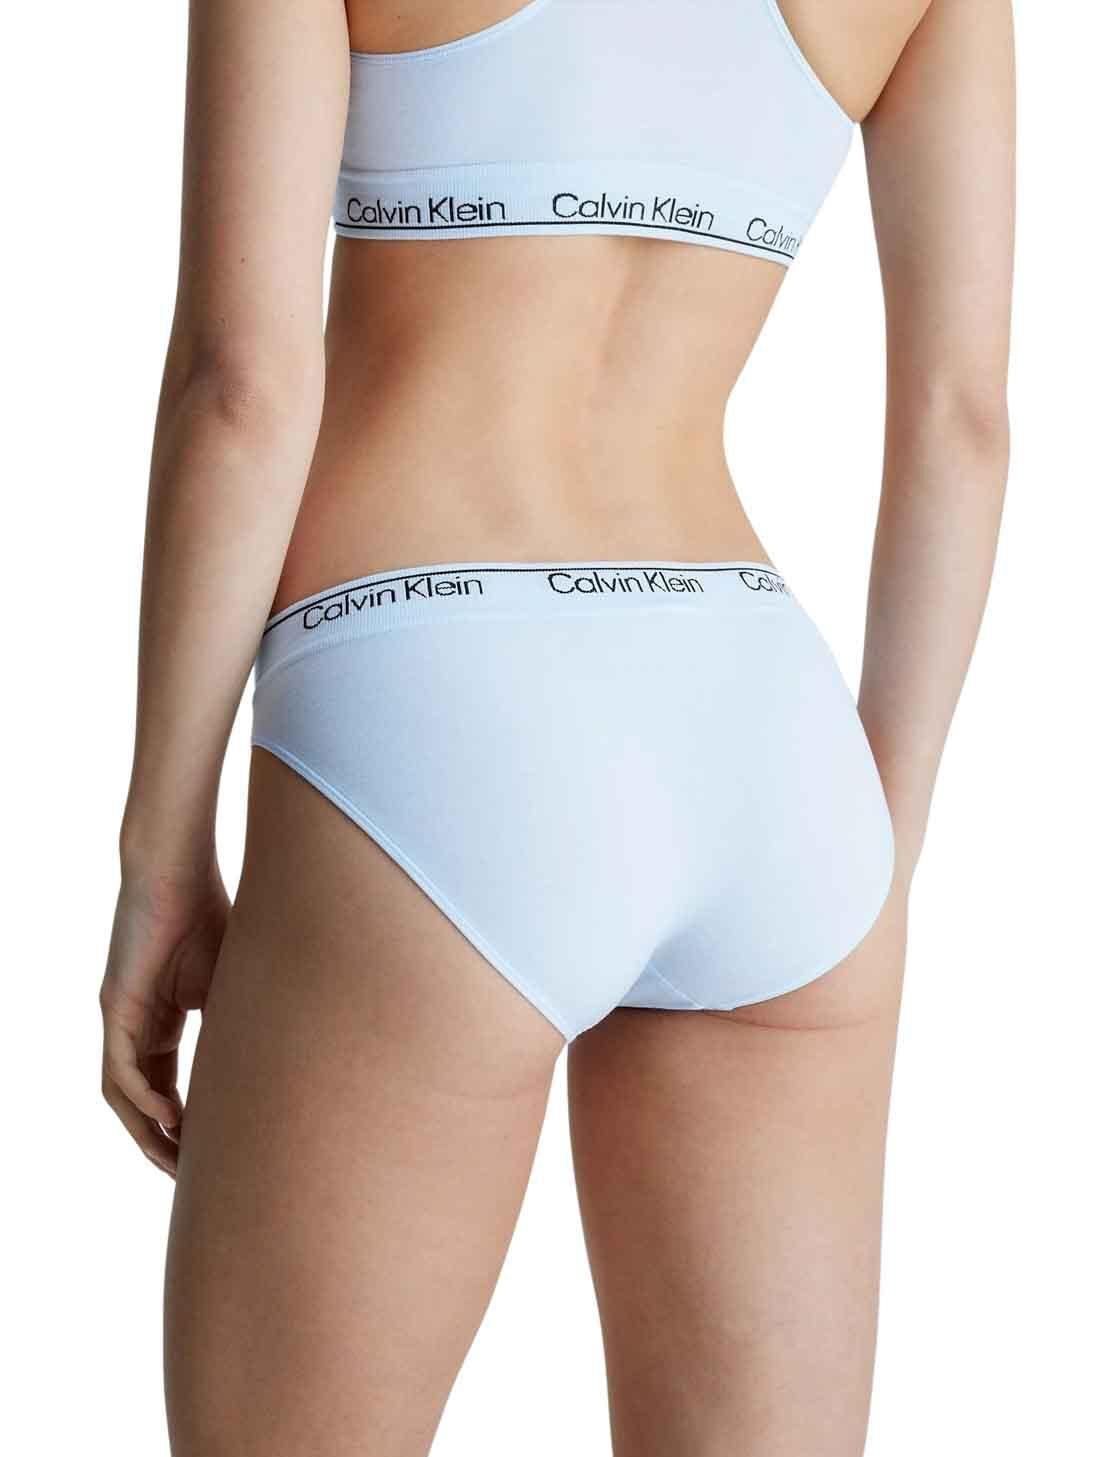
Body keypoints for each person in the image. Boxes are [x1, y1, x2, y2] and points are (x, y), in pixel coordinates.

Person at [99, 2, 1015, 1452]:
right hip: (760, 725)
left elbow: (243, 390)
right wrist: (870, 857)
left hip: (432, 700)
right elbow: (964, 421)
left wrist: (161, 854)